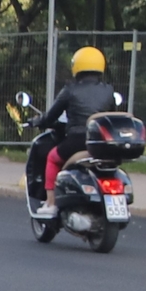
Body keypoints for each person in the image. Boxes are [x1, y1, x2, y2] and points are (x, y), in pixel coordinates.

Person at [25, 47, 125, 214]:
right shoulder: (108, 90)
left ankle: (51, 203)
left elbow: (51, 116)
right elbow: (111, 114)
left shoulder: (70, 90)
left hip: (78, 139)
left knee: (52, 158)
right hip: (101, 142)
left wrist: (37, 121)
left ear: (76, 66)